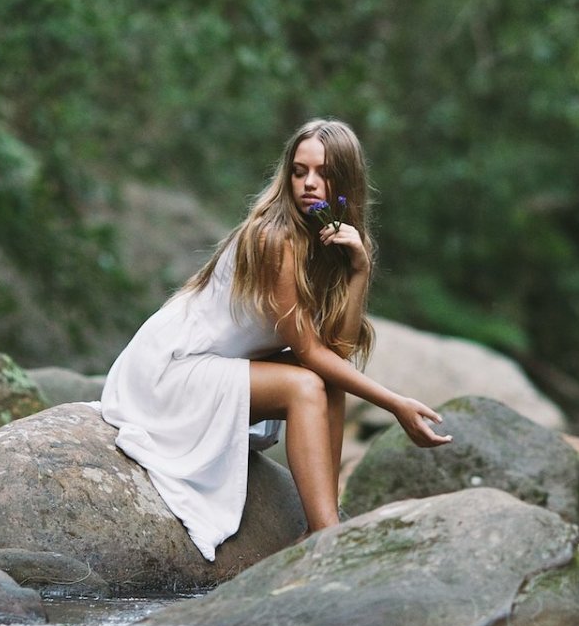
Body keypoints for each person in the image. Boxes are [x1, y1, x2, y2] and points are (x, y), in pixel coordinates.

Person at [98, 118, 452, 561]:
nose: (309, 183)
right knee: (305, 383)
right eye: (299, 171)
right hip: (169, 370)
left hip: (212, 365)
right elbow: (309, 354)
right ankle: (328, 533)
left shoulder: (328, 240)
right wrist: (396, 404)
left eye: (323, 173)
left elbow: (337, 354)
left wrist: (360, 269)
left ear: (346, 181)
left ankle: (323, 523)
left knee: (329, 380)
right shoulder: (274, 236)